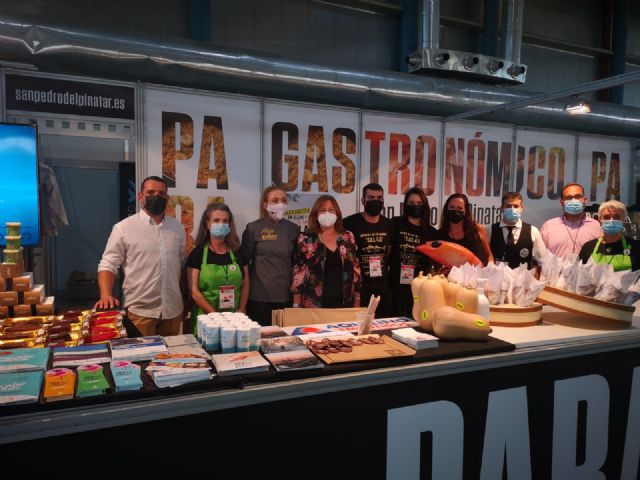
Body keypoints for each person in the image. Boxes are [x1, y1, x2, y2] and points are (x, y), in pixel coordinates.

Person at [96, 176, 186, 336]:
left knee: (172, 352)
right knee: (143, 353)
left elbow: (181, 263)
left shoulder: (177, 228)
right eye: (150, 192)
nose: (156, 196)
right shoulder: (123, 228)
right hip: (140, 313)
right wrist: (106, 295)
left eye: (161, 193)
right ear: (140, 196)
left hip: (173, 311)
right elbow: (108, 263)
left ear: (167, 198)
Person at [240, 186, 300, 326]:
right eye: (275, 200)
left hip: (285, 296)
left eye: (283, 200)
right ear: (265, 205)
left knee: (284, 336)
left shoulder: (293, 229)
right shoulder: (253, 228)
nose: (280, 204)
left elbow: (297, 264)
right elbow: (243, 263)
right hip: (258, 297)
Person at [187, 203, 249, 334]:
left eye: (225, 221)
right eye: (216, 220)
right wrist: (216, 316)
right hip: (206, 320)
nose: (221, 224)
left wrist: (242, 308)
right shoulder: (198, 253)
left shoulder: (237, 252)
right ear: (207, 224)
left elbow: (245, 284)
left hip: (235, 320)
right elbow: (194, 291)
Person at [291, 195, 361, 308]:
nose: (327, 213)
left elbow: (356, 271)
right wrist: (296, 305)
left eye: (331, 210)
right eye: (322, 210)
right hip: (313, 306)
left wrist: (357, 301)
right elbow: (297, 273)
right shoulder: (305, 239)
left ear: (337, 214)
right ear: (316, 215)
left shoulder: (348, 237)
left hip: (344, 304)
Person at [343, 183, 392, 318]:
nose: (375, 201)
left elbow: (389, 251)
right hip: (359, 288)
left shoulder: (388, 224)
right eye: (371, 198)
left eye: (379, 198)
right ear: (363, 200)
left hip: (382, 287)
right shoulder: (349, 223)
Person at [389, 187, 438, 318]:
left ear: (425, 206)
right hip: (395, 284)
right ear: (405, 205)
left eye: (419, 203)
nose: (415, 206)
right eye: (411, 203)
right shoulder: (396, 223)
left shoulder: (431, 232)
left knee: (415, 319)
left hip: (419, 286)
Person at [540, 183, 601, 259]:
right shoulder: (548, 226)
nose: (573, 201)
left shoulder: (596, 226)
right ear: (562, 203)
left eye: (578, 196)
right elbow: (539, 257)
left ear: (585, 200)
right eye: (568, 198)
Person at [489, 191, 547, 269]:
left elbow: (543, 261)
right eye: (508, 206)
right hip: (497, 276)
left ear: (522, 208)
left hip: (524, 277)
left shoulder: (533, 231)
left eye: (516, 206)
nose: (512, 209)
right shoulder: (490, 231)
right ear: (501, 209)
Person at [578, 200, 640, 271]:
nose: (611, 220)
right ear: (600, 220)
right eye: (606, 217)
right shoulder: (588, 247)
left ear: (624, 220)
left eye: (617, 217)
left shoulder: (636, 247)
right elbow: (581, 274)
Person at [438, 193, 493, 265]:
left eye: (460, 208)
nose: (455, 211)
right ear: (446, 209)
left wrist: (490, 267)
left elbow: (489, 255)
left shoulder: (477, 229)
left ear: (466, 211)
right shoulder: (440, 235)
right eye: (452, 207)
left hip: (478, 272)